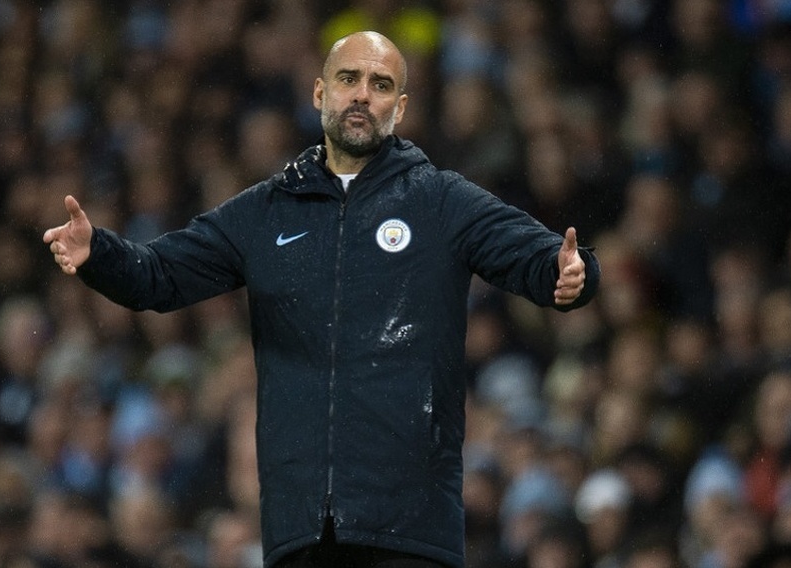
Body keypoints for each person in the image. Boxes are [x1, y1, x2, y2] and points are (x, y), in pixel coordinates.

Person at [44, 31, 600, 568]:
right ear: (319, 93)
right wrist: (100, 254)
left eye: (381, 84)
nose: (362, 93)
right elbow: (159, 276)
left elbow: (538, 258)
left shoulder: (440, 200)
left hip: (412, 530)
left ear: (400, 108)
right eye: (348, 78)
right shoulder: (266, 211)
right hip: (301, 529)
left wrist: (571, 273)